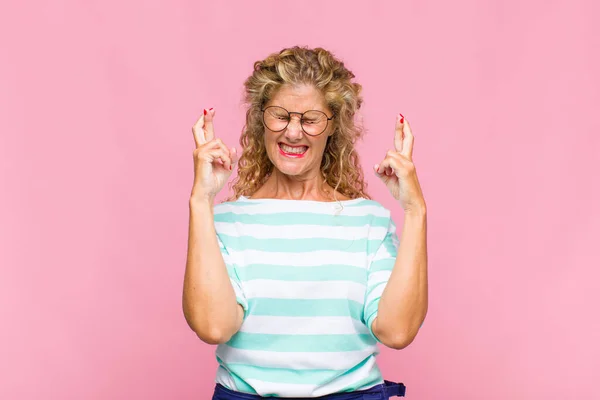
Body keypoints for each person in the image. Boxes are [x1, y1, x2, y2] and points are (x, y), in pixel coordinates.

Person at [183, 46, 428, 400]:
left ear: (333, 127)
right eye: (280, 116)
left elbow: (398, 331)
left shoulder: (369, 222)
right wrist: (200, 200)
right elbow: (213, 326)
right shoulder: (223, 220)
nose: (293, 133)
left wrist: (416, 209)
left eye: (310, 119)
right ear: (260, 120)